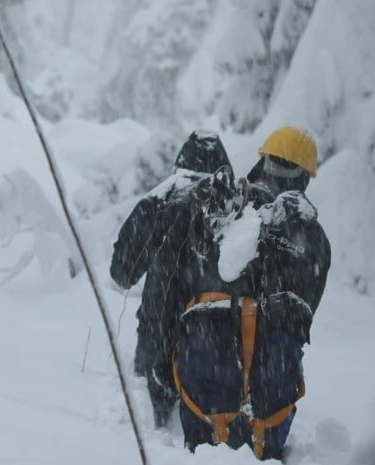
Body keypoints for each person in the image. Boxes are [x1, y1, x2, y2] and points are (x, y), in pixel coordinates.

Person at [144, 126, 330, 460]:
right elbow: (305, 314)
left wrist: (160, 357)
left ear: (263, 162)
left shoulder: (221, 209)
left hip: (202, 382)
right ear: (304, 177)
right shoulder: (313, 239)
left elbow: (172, 286)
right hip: (269, 396)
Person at [110, 130, 232, 428]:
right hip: (217, 352)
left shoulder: (164, 197)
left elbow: (122, 272)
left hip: (158, 347)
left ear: (181, 162)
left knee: (154, 430)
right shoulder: (234, 207)